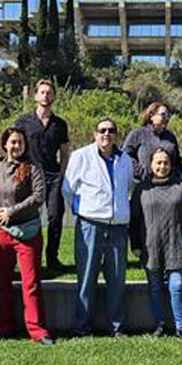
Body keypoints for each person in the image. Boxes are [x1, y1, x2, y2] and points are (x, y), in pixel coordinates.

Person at [0, 127, 54, 345]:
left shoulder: (33, 168)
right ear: (5, 145)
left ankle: (37, 330)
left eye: (20, 142)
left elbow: (39, 197)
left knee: (31, 283)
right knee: (3, 282)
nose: (16, 146)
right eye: (12, 142)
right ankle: (4, 328)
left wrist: (12, 211)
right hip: (0, 233)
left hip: (27, 233)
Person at [62, 118, 133, 337]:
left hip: (118, 228)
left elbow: (128, 187)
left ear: (116, 135)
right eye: (102, 130)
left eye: (111, 130)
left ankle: (117, 327)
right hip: (90, 225)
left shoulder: (125, 160)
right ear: (95, 134)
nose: (107, 134)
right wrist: (83, 210)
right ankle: (81, 327)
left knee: (117, 279)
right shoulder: (81, 156)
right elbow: (68, 188)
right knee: (86, 277)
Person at [130, 148, 182, 341]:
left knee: (176, 286)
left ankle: (181, 327)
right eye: (158, 162)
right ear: (151, 165)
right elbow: (134, 219)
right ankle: (160, 324)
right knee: (155, 287)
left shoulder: (181, 187)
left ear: (171, 164)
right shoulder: (141, 189)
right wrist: (135, 243)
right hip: (150, 246)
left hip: (175, 244)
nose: (162, 166)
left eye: (166, 162)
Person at [15, 78, 70, 275]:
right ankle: (29, 257)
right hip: (29, 175)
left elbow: (65, 152)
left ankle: (52, 259)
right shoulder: (23, 122)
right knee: (27, 215)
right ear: (36, 96)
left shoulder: (60, 124)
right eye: (42, 92)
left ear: (53, 96)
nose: (46, 95)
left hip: (53, 176)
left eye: (49, 92)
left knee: (55, 217)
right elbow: (15, 146)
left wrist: (63, 175)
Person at [123, 101, 182, 181]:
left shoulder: (170, 137)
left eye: (168, 115)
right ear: (151, 116)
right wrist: (140, 171)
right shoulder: (138, 134)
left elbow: (177, 160)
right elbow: (126, 156)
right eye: (163, 114)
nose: (166, 118)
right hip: (143, 185)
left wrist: (175, 174)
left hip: (168, 185)